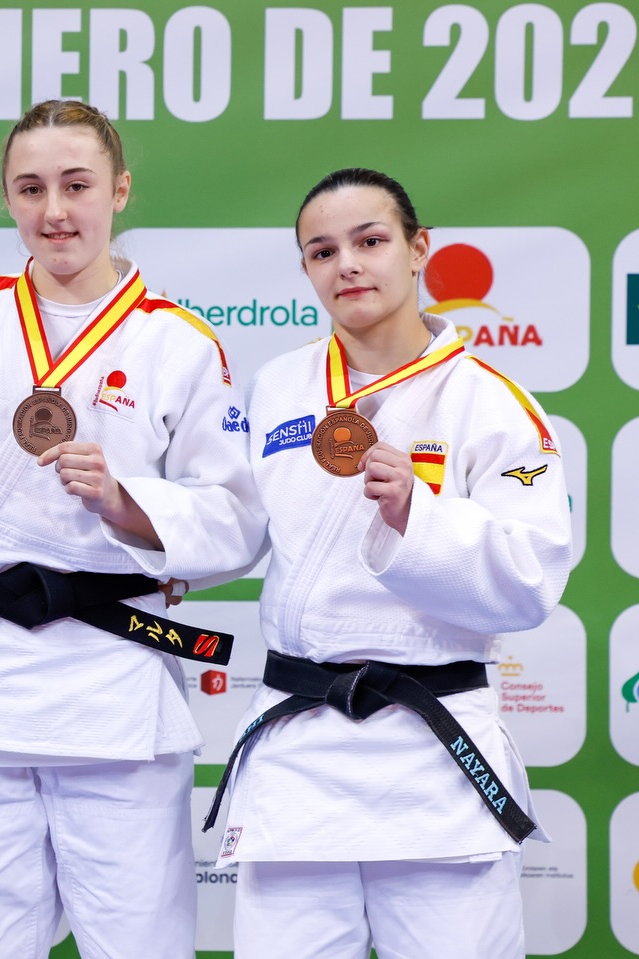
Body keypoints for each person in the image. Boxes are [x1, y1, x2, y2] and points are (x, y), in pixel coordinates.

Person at [0, 99, 266, 959]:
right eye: (30, 188)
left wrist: (127, 503)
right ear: (6, 198)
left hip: (113, 683)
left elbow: (239, 518)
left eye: (77, 185)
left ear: (121, 190)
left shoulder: (177, 342)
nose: (55, 210)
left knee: (137, 941)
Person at [205, 168, 572, 958]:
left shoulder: (492, 400)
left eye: (370, 241)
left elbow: (532, 577)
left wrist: (417, 514)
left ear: (418, 249)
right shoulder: (277, 386)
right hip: (302, 748)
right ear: (306, 269)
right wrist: (129, 508)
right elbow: (226, 522)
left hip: (431, 755)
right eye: (322, 250)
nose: (348, 264)